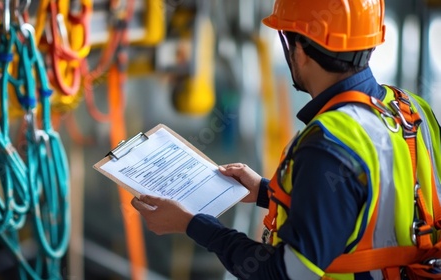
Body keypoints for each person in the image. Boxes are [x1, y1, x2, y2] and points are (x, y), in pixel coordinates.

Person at [131, 0, 441, 279]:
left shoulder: (329, 143)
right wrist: (266, 193)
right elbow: (364, 202)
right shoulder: (412, 109)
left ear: (301, 51)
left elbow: (283, 272)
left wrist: (192, 225)